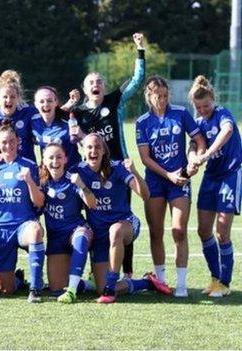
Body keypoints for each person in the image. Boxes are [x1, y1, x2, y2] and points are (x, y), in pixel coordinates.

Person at [71, 33, 146, 277]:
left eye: (99, 81)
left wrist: (140, 50)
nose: (96, 85)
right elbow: (56, 117)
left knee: (122, 217)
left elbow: (137, 80)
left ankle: (128, 273)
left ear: (104, 86)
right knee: (94, 217)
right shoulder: (78, 112)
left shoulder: (115, 101)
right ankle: (98, 266)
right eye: (91, 82)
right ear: (85, 89)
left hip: (118, 172)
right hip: (91, 172)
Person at [76, 133, 172, 303]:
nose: (93, 150)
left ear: (104, 151)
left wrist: (134, 172)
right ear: (83, 150)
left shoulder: (117, 167)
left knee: (115, 230)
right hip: (99, 233)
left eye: (98, 147)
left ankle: (110, 289)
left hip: (125, 224)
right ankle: (147, 283)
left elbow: (145, 195)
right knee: (99, 288)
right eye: (89, 147)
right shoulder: (79, 171)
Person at [136, 76, 206, 297]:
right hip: (156, 181)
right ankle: (162, 281)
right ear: (149, 96)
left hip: (180, 181)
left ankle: (182, 284)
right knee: (156, 232)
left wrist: (194, 161)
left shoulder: (181, 114)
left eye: (166, 96)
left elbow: (200, 141)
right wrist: (168, 175)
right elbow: (145, 158)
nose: (163, 100)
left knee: (179, 231)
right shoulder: (142, 122)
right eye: (158, 96)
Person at [0, 122, 46, 303]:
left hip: (23, 224)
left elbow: (39, 201)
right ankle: (17, 279)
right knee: (6, 290)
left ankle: (36, 288)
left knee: (36, 231)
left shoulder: (28, 166)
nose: (8, 146)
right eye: (4, 142)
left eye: (11, 141)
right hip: (1, 229)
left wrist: (30, 181)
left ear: (18, 142)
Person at [188, 75, 241, 297]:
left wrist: (208, 154)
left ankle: (225, 283)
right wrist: (193, 158)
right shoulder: (198, 122)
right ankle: (214, 278)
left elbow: (227, 131)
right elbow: (193, 144)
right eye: (199, 108)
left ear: (213, 100)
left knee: (222, 233)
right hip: (211, 178)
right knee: (203, 230)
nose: (203, 110)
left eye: (206, 106)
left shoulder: (222, 113)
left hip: (230, 174)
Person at [38, 143, 96, 303]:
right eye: (50, 157)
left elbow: (91, 203)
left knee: (81, 236)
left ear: (65, 159)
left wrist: (82, 185)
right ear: (43, 160)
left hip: (76, 230)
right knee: (56, 288)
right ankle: (86, 284)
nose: (55, 161)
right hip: (56, 238)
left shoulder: (72, 179)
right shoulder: (41, 182)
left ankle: (71, 291)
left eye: (59, 157)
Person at [0, 70, 38, 162]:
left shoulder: (29, 112)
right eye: (5, 97)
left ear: (18, 97)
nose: (9, 100)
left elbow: (50, 113)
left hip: (26, 168)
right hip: (1, 169)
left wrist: (68, 105)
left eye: (12, 97)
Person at [31, 86, 81, 169]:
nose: (46, 104)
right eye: (41, 101)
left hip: (71, 171)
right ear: (35, 104)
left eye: (50, 101)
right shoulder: (33, 121)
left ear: (56, 102)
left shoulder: (68, 122)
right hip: (49, 172)